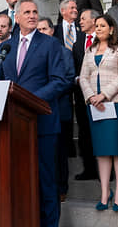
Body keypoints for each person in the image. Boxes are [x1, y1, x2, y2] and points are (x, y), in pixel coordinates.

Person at [0, 0, 72, 227]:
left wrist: (31, 100)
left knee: (46, 182)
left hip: (43, 125)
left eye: (35, 12)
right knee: (18, 179)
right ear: (16, 18)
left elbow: (60, 81)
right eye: (27, 12)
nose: (32, 16)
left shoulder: (50, 44)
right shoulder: (6, 47)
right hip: (13, 125)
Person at [79, 14, 118, 212]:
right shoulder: (89, 50)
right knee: (101, 151)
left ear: (111, 29)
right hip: (95, 106)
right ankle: (104, 192)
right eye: (97, 25)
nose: (98, 28)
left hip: (115, 104)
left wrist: (104, 94)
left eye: (102, 25)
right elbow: (83, 76)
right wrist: (91, 96)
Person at [38, 15, 76, 202]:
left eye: (44, 29)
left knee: (60, 153)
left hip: (60, 110)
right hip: (39, 111)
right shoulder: (34, 52)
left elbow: (68, 80)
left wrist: (47, 93)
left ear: (52, 31)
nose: (41, 33)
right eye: (38, 30)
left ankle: (62, 188)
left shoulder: (64, 52)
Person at [72, 8, 99, 181]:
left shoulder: (105, 37)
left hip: (102, 94)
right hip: (82, 95)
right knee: (84, 132)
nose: (80, 21)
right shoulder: (79, 40)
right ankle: (88, 169)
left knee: (101, 132)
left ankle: (106, 170)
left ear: (94, 20)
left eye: (83, 18)